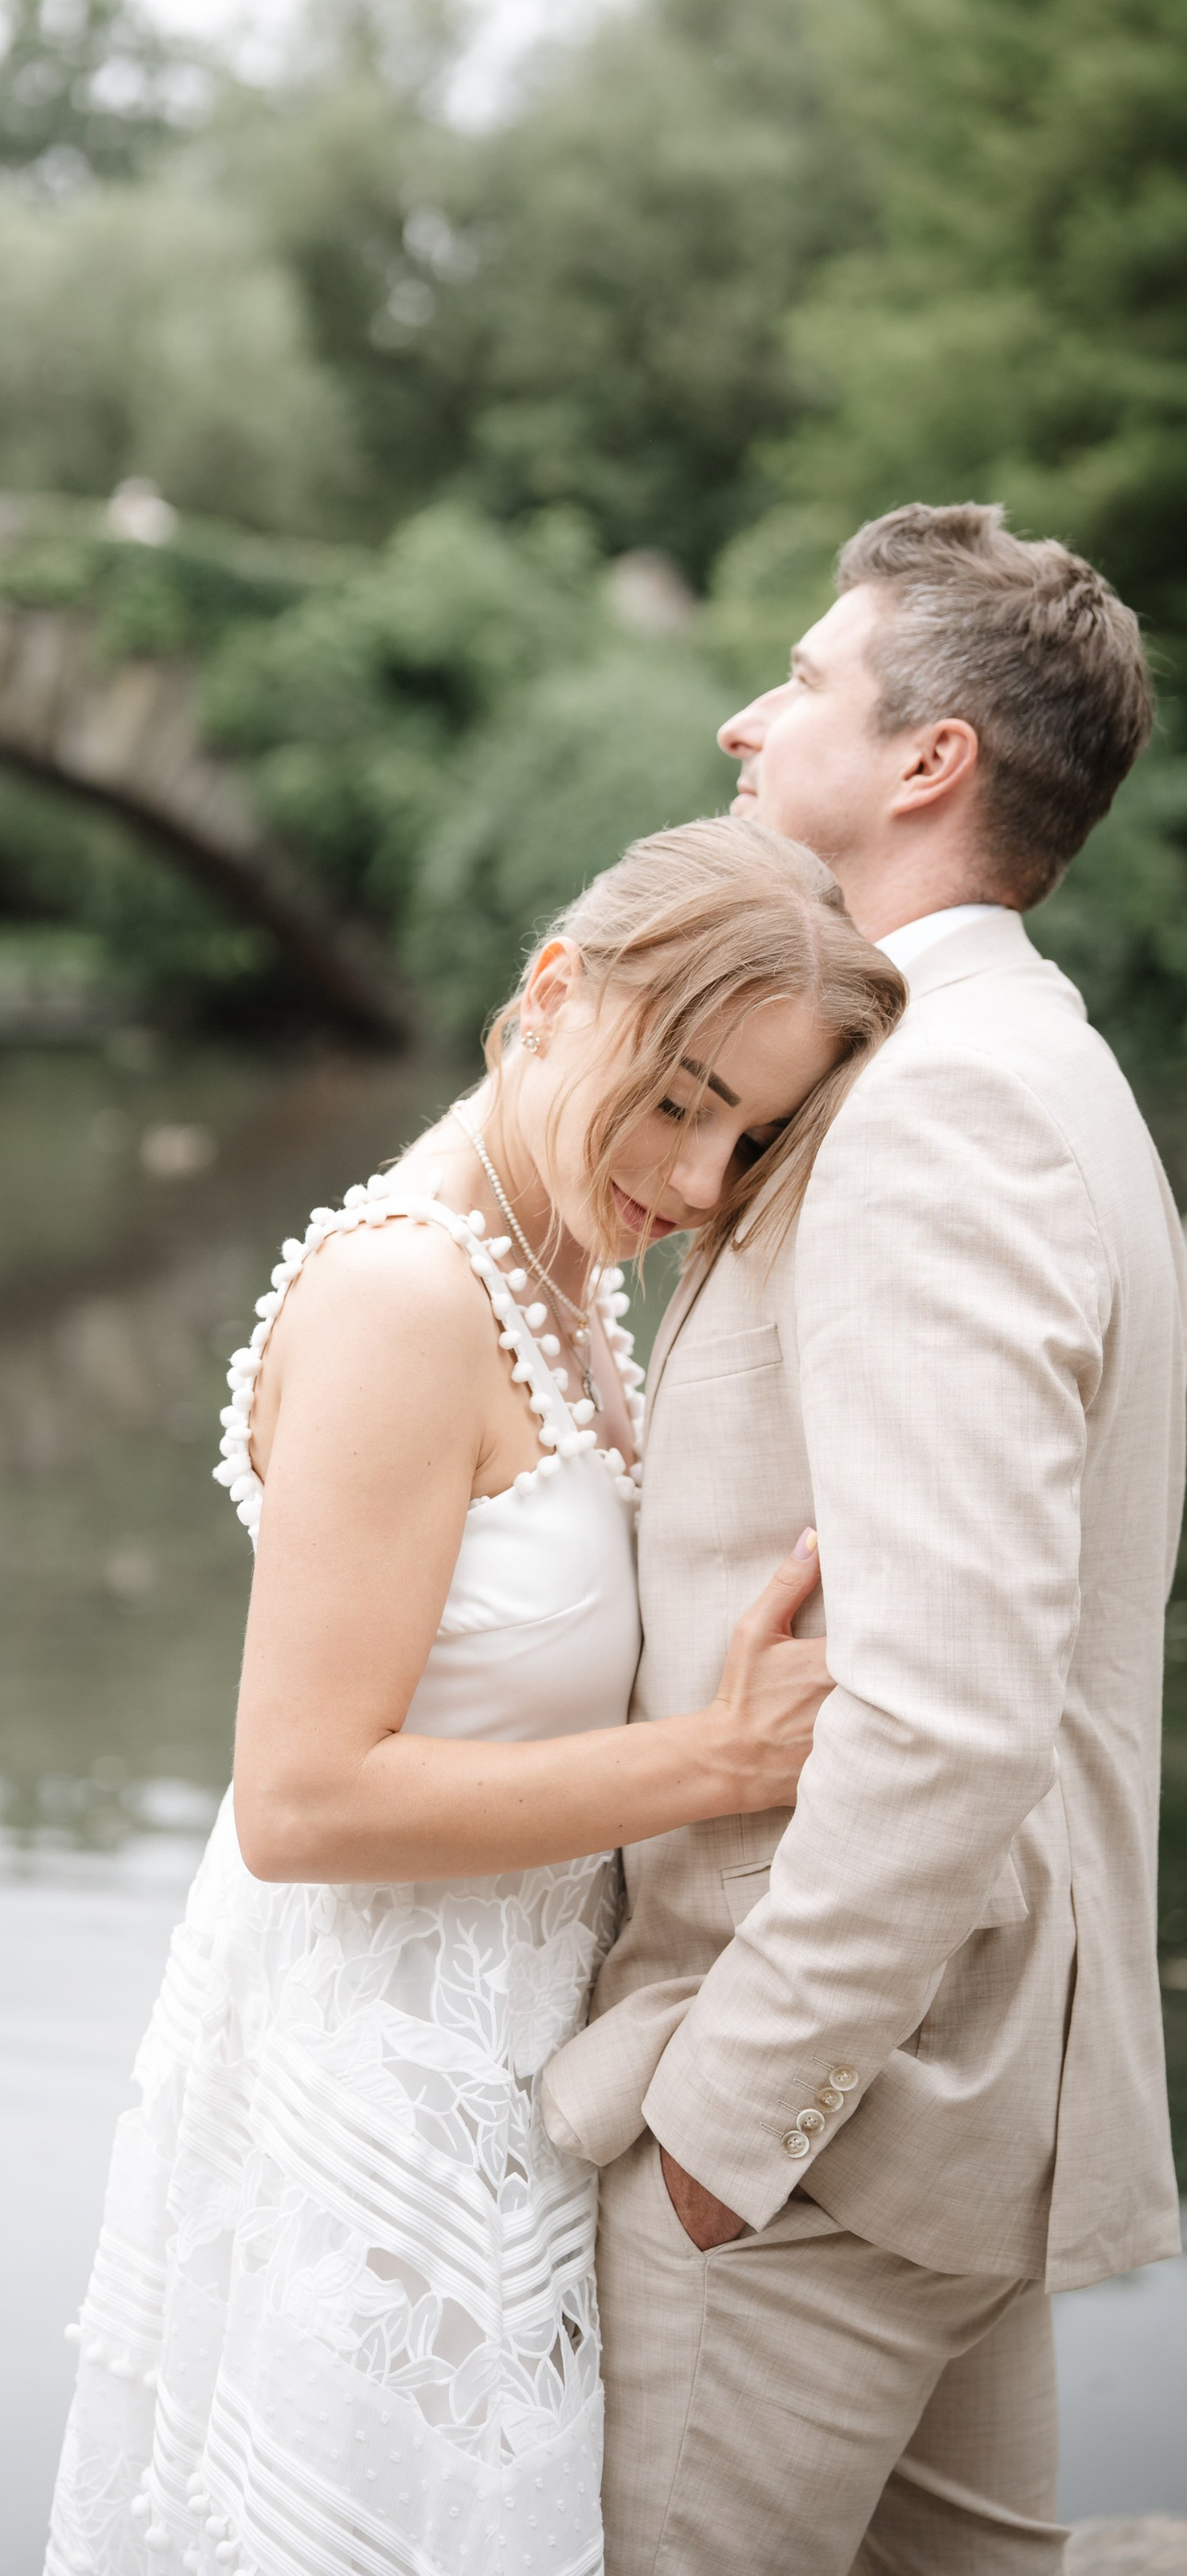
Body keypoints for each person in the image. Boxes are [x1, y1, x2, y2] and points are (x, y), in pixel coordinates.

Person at [44, 815, 907, 2576]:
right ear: (548, 993)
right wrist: (715, 1759)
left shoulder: (564, 1274)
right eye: (672, 1101)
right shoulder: (402, 1296)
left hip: (512, 2056)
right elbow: (299, 1806)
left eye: (745, 1135)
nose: (692, 1175)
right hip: (378, 2075)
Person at [543, 502, 1186, 2574]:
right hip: (967, 2088)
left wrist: (729, 2135)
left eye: (807, 680)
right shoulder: (1033, 1061)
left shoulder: (944, 1112)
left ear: (931, 762)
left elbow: (952, 1713)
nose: (747, 720)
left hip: (834, 2140)